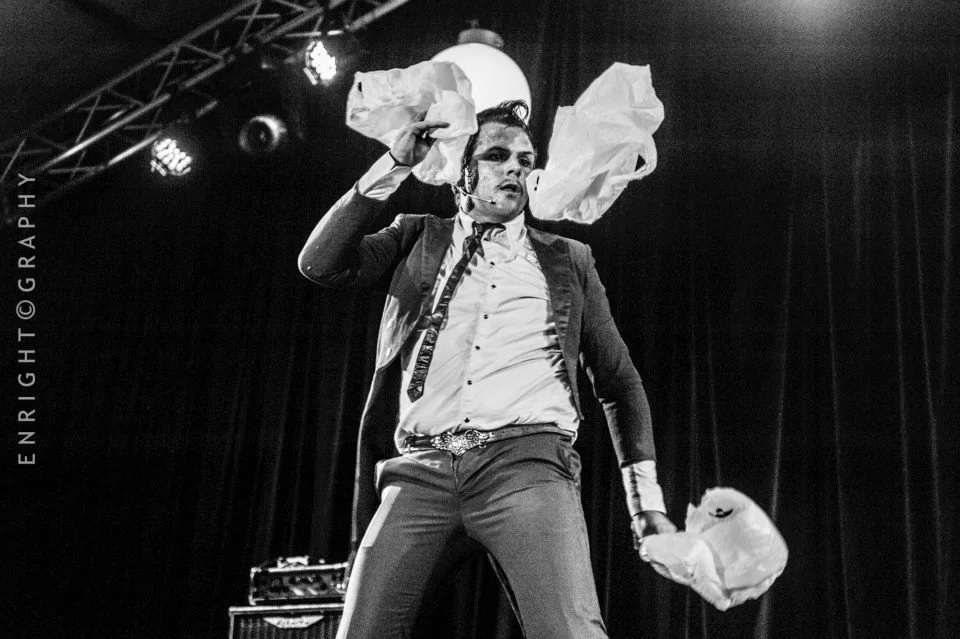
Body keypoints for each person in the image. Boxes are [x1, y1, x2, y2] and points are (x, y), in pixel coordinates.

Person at [298, 100, 676, 639]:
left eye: (525, 159)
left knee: (572, 633)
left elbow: (618, 383)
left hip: (526, 465)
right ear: (462, 174)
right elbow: (319, 264)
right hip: (420, 472)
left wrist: (646, 505)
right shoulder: (417, 236)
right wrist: (394, 164)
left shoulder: (568, 259)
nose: (515, 168)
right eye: (498, 155)